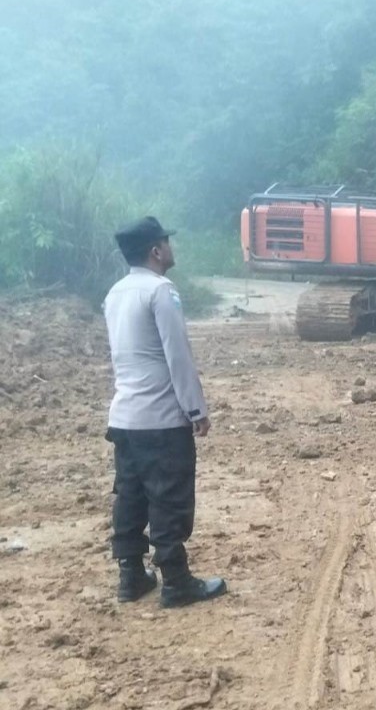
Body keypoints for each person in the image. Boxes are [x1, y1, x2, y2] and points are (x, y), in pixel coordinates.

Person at [103, 216, 227, 608]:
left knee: (131, 495)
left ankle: (131, 576)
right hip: (161, 418)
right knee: (169, 497)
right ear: (156, 251)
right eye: (166, 242)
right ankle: (176, 581)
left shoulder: (115, 293)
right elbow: (177, 356)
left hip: (124, 417)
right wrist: (196, 408)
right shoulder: (161, 291)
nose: (171, 248)